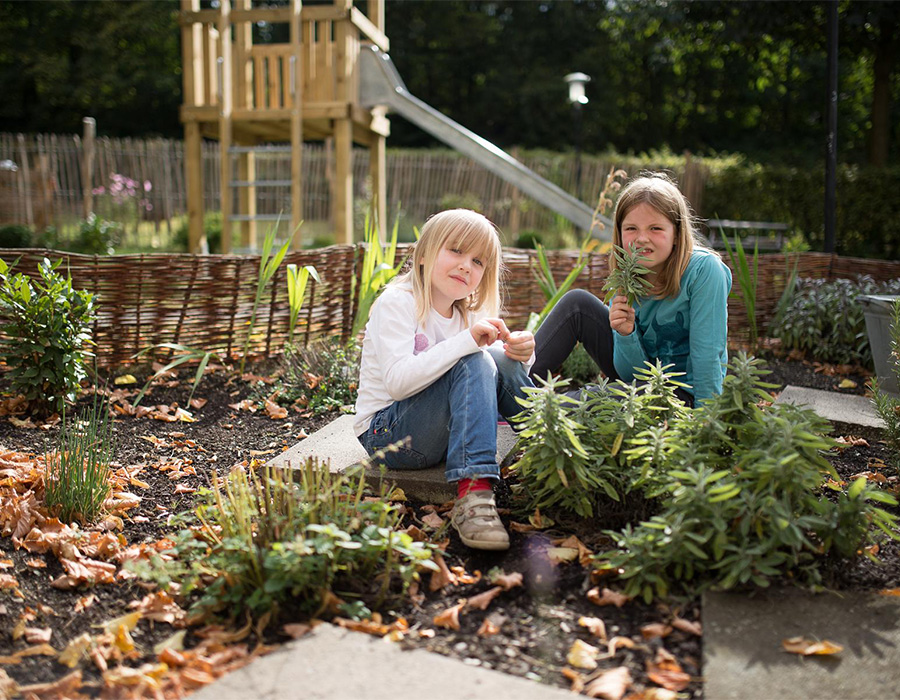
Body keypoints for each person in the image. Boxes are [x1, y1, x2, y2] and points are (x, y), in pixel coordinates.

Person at [354, 209, 535, 551]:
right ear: (422, 255)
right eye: (456, 250)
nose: (467, 265)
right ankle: (474, 497)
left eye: (478, 261)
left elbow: (500, 372)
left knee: (497, 361)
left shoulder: (468, 311)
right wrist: (466, 342)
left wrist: (522, 353)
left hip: (436, 433)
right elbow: (397, 383)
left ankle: (556, 451)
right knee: (474, 358)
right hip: (387, 437)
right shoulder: (397, 302)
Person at [530, 173, 732, 406]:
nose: (642, 238)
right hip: (640, 381)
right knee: (577, 304)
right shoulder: (627, 274)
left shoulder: (704, 271)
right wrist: (626, 334)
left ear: (676, 233)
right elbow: (629, 376)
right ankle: (515, 386)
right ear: (620, 232)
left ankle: (541, 407)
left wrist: (705, 424)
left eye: (655, 228)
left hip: (683, 395)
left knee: (605, 400)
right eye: (632, 228)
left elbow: (708, 356)